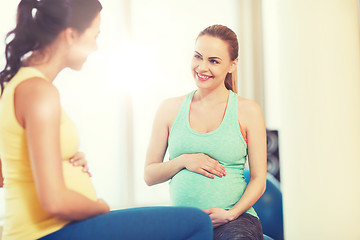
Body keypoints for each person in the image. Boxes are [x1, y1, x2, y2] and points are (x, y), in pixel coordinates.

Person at [0, 0, 213, 239]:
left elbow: (6, 171)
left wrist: (61, 160)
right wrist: (99, 207)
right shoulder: (39, 92)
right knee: (197, 222)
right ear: (70, 36)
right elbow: (54, 201)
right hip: (47, 232)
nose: (95, 47)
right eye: (94, 36)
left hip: (52, 229)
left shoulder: (16, 84)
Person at [145, 25, 267, 240]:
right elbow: (150, 175)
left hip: (236, 220)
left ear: (232, 65)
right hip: (186, 222)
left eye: (214, 61)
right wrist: (184, 160)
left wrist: (231, 214)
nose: (202, 67)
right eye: (197, 57)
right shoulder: (169, 109)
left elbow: (259, 179)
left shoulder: (248, 111)